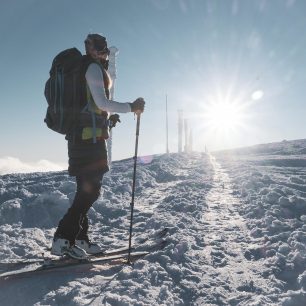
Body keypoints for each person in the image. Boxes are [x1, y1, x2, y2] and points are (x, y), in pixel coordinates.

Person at [51, 34, 145, 259]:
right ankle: (63, 239)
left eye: (104, 49)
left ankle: (81, 239)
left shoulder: (87, 68)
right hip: (88, 142)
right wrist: (131, 107)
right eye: (100, 48)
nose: (103, 52)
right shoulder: (92, 68)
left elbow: (92, 106)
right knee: (90, 193)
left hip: (83, 138)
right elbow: (102, 102)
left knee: (86, 191)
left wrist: (106, 120)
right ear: (92, 49)